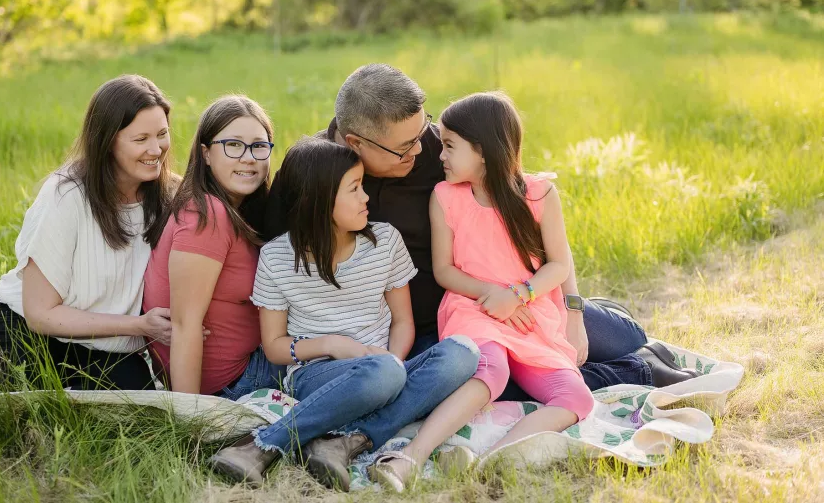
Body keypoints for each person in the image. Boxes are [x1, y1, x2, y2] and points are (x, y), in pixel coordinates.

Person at [264, 63, 699, 394]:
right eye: (405, 147)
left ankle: (616, 330)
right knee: (483, 385)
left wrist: (569, 307)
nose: (424, 148)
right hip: (416, 330)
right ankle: (635, 370)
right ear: (355, 143)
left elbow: (524, 212)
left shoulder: (436, 147)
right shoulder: (310, 172)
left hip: (506, 297)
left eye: (424, 132)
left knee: (623, 336)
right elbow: (272, 259)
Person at [209, 138, 480, 491]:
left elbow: (403, 322)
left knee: (463, 353)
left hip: (383, 365)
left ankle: (344, 442)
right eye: (354, 189)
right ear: (318, 202)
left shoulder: (385, 241)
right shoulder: (276, 258)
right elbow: (275, 347)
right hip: (316, 373)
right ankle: (262, 444)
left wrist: (392, 365)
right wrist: (335, 344)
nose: (366, 197)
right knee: (383, 372)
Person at [366, 91, 594, 489]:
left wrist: (520, 294)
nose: (440, 155)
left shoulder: (539, 194)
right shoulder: (446, 197)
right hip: (473, 307)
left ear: (485, 151)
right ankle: (409, 457)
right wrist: (494, 295)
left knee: (578, 398)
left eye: (450, 146)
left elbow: (559, 264)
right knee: (491, 370)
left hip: (529, 312)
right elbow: (444, 271)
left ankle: (491, 460)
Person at [0, 75, 174, 394]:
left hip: (107, 350)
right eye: (140, 139)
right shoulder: (66, 196)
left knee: (143, 429)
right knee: (15, 428)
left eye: (162, 134)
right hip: (25, 334)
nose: (156, 149)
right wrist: (140, 326)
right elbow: (40, 314)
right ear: (107, 142)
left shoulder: (170, 197)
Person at [142, 95, 286, 399]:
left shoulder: (233, 210)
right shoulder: (206, 214)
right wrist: (192, 421)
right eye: (233, 145)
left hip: (246, 367)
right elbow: (185, 325)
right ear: (206, 154)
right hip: (235, 382)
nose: (249, 157)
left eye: (259, 146)